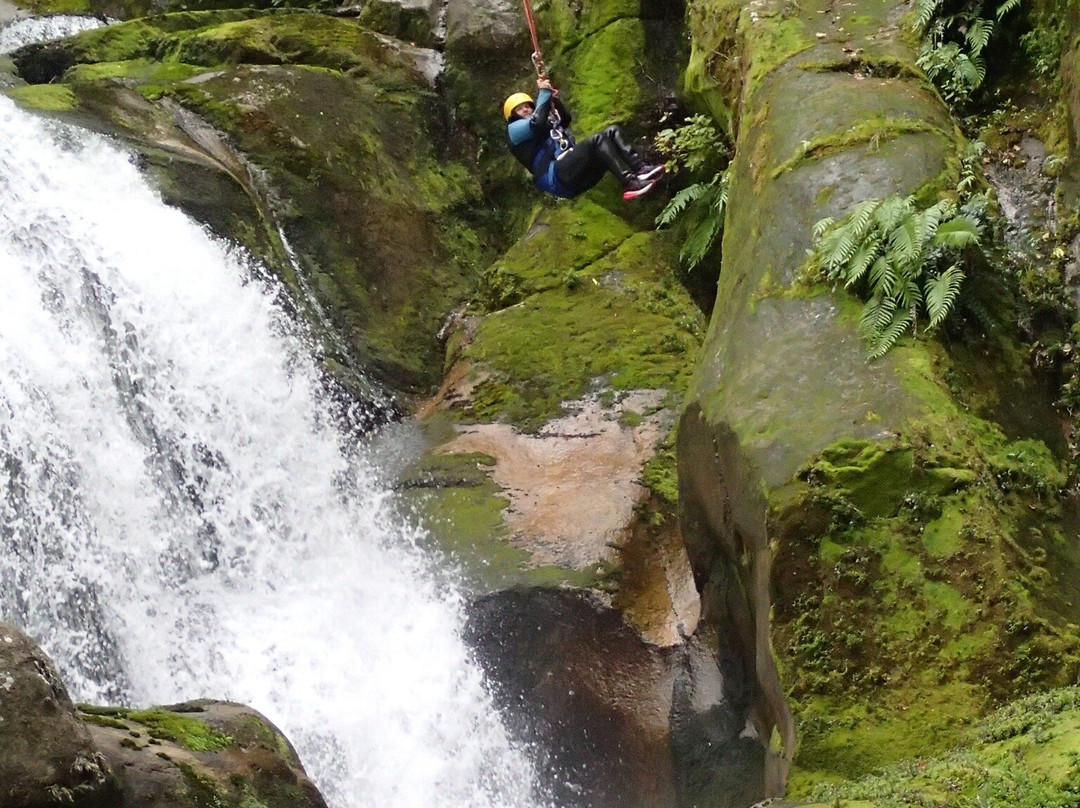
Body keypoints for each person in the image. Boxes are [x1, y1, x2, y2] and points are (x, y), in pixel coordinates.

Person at [504, 77, 665, 201]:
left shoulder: (543, 123)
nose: (525, 109)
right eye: (519, 109)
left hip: (574, 171)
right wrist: (544, 93)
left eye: (528, 106)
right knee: (597, 141)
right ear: (513, 116)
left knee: (612, 131)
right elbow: (537, 123)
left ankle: (640, 169)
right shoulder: (514, 130)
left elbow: (564, 120)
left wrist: (554, 101)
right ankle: (629, 183)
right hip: (557, 176)